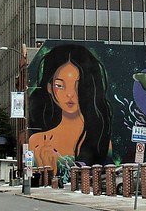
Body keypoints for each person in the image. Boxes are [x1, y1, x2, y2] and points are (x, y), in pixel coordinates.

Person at [28, 44, 113, 174]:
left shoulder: (101, 139)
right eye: (60, 85)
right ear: (49, 88)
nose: (70, 94)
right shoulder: (38, 142)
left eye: (78, 85)